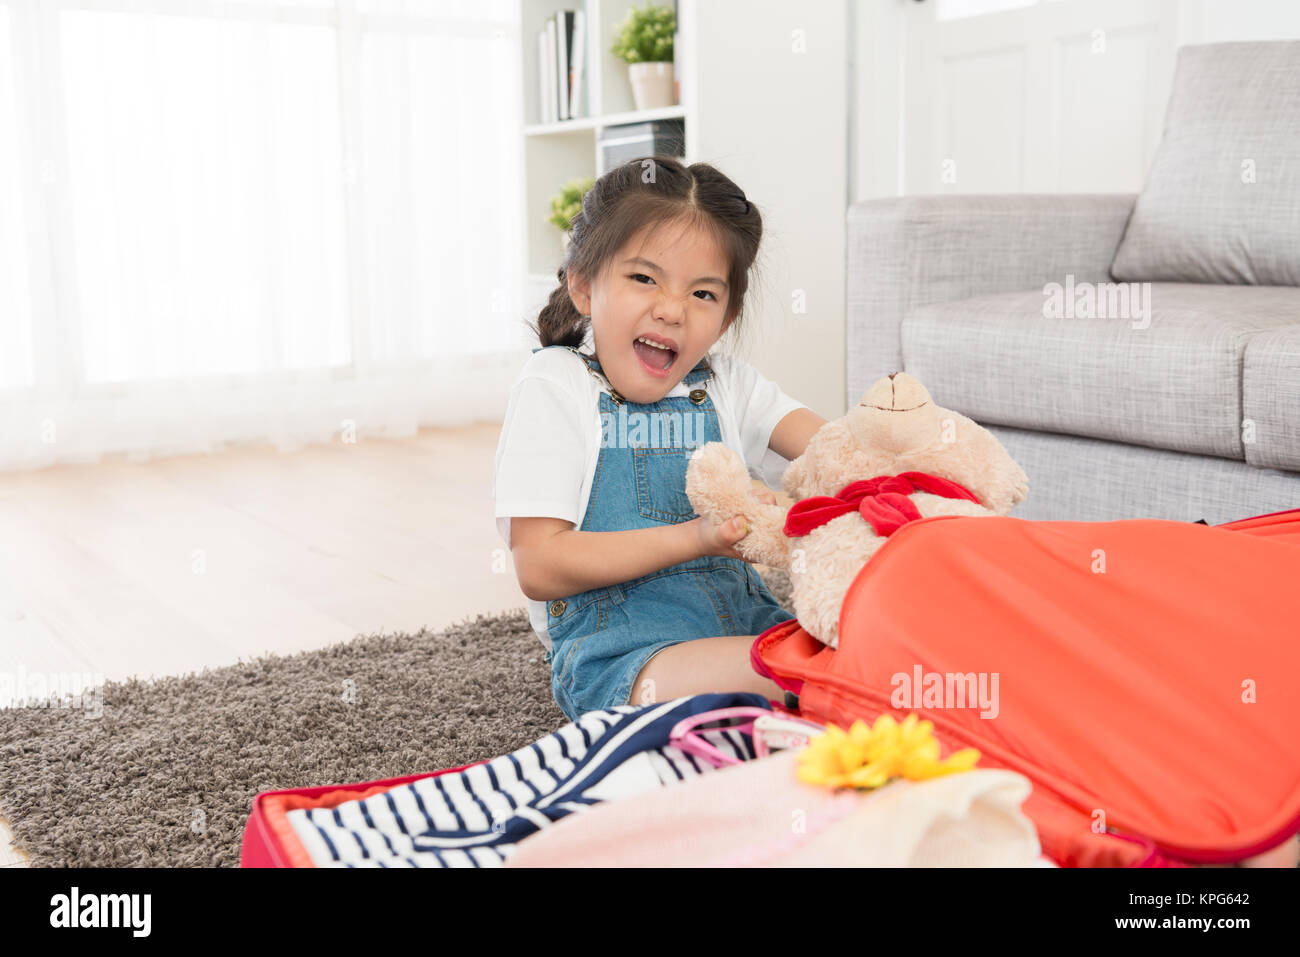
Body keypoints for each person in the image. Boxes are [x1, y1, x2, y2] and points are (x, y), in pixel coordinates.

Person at [493, 155, 826, 722]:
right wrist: (697, 537)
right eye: (644, 278)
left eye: (703, 294)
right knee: (815, 683)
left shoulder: (728, 384)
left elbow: (836, 452)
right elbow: (540, 564)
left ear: (725, 317)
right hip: (626, 659)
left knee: (884, 663)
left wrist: (909, 472)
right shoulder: (556, 385)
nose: (672, 310)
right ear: (583, 285)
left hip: (749, 625)